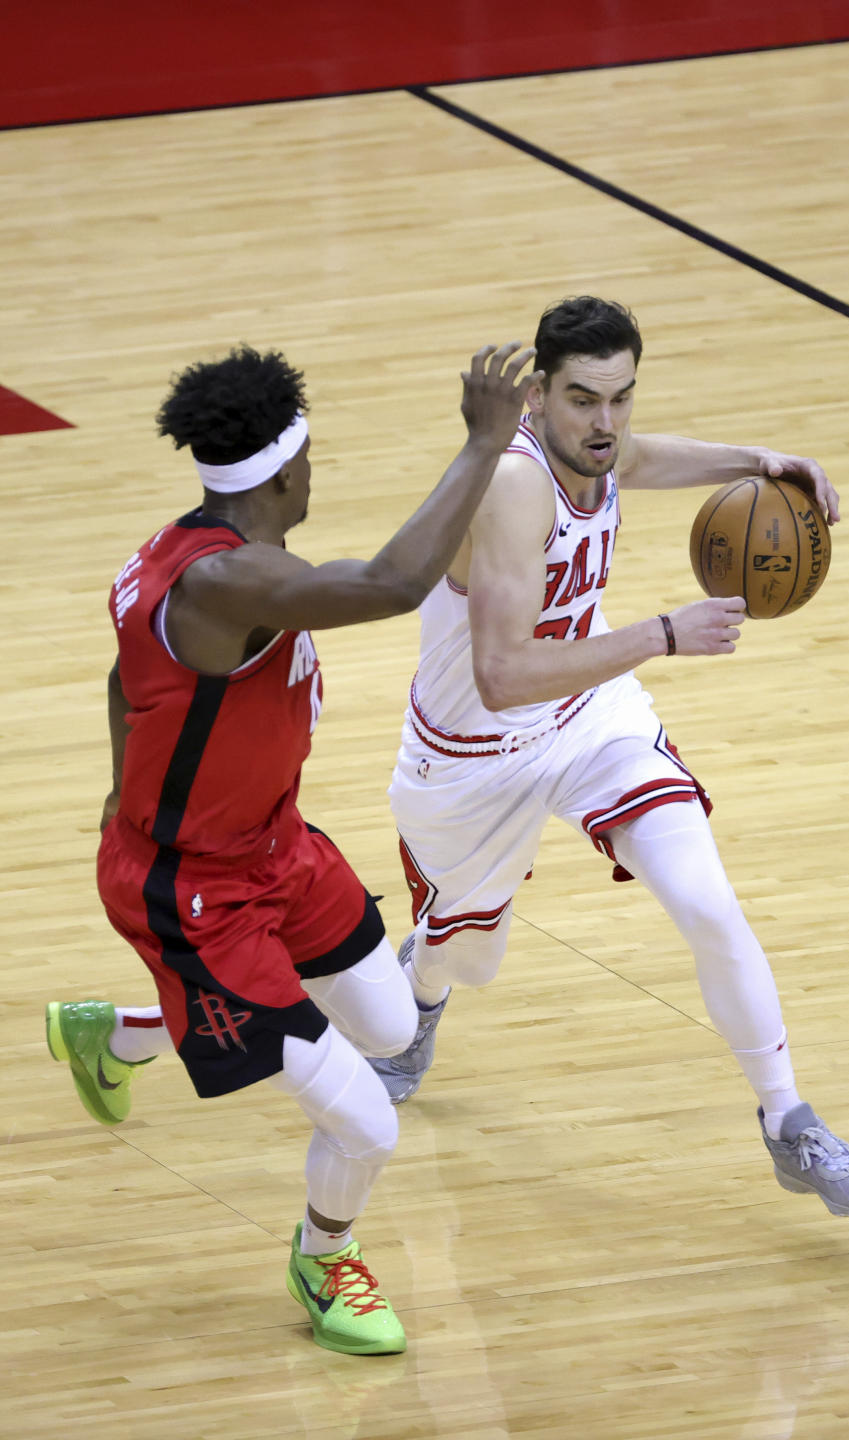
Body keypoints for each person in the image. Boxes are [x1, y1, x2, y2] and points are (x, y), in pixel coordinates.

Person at [45, 337, 543, 1356]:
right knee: (371, 1124)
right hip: (194, 898)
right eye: (311, 461)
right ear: (283, 472)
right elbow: (396, 583)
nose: (318, 474)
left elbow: (120, 678)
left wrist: (114, 778)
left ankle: (119, 1033)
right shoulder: (236, 585)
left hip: (275, 849)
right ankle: (324, 1260)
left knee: (395, 1025)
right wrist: (487, 442)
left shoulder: (178, 550)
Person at [371, 296, 849, 1221]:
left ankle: (790, 1121)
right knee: (471, 959)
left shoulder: (603, 446)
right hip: (472, 756)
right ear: (536, 395)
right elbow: (500, 677)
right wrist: (662, 633)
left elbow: (642, 459)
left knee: (706, 900)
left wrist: (760, 461)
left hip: (587, 715)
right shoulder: (511, 486)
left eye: (621, 398)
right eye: (583, 400)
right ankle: (420, 985)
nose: (606, 423)